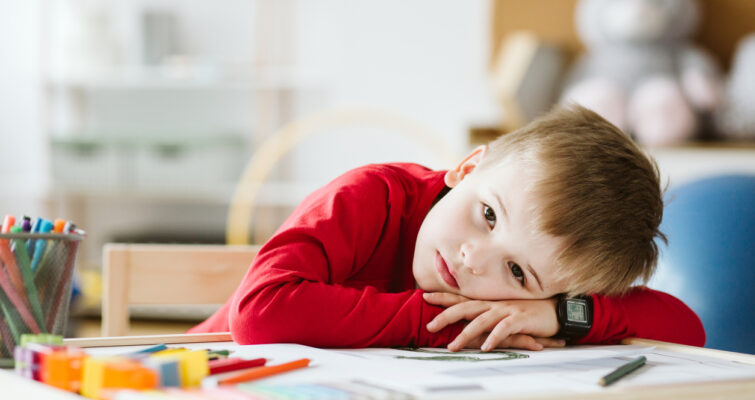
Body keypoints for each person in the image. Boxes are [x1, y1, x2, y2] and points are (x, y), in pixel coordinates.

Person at [189, 105, 705, 351]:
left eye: (518, 272)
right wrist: (445, 322)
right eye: (488, 215)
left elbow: (686, 327)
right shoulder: (371, 196)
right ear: (469, 166)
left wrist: (556, 315)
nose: (473, 260)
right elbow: (260, 313)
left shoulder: (546, 302)